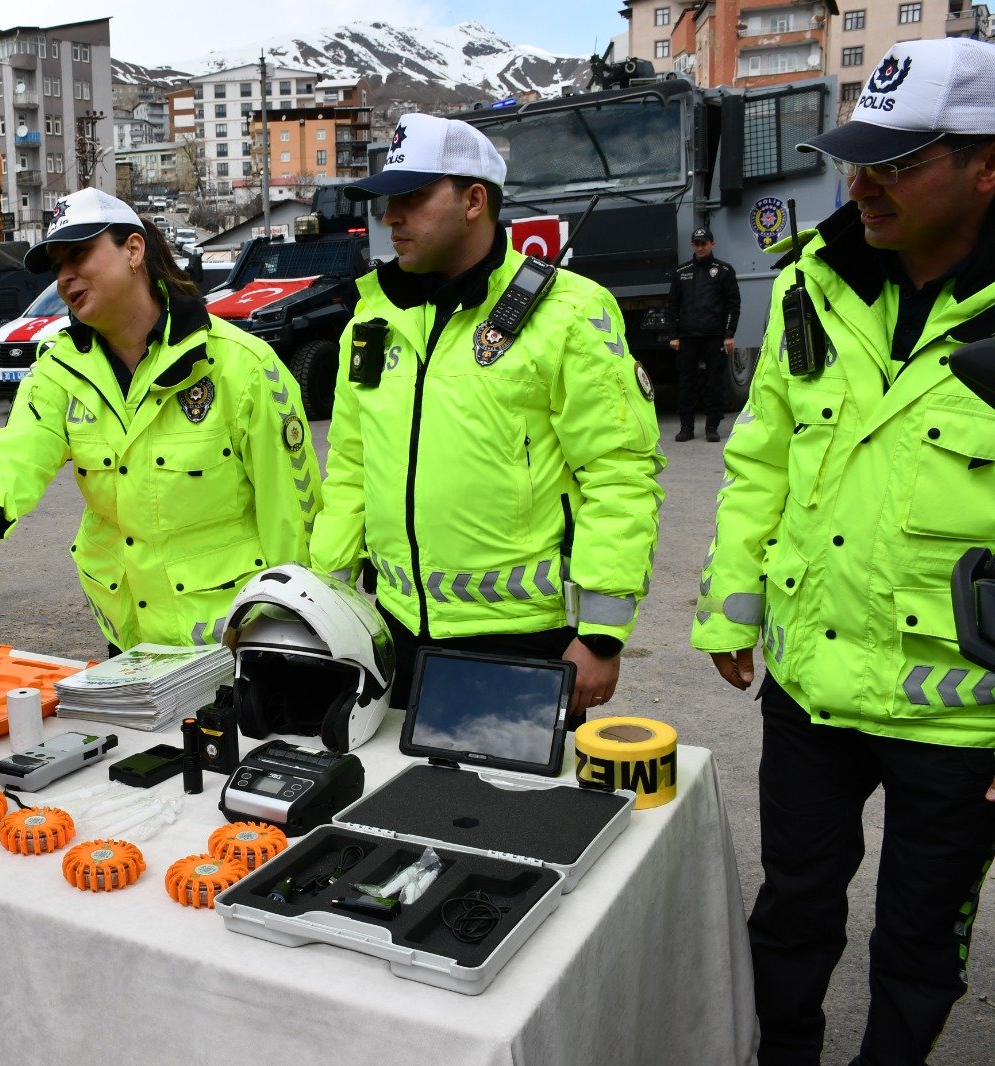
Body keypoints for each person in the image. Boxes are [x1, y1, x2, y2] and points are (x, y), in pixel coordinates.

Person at [690, 37, 995, 1066]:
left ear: (986, 164)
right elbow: (761, 460)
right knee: (790, 912)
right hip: (812, 687)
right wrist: (730, 601)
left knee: (916, 948)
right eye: (857, 157)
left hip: (960, 722)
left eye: (897, 164)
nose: (861, 185)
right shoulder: (813, 283)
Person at [310, 113, 664, 721]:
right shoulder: (374, 319)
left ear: (475, 200)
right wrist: (327, 606)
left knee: (509, 813)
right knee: (392, 806)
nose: (391, 216)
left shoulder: (567, 313)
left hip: (520, 638)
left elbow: (619, 475)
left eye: (413, 197)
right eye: (388, 200)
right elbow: (350, 468)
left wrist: (602, 635)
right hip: (392, 630)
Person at [0, 188, 319, 651]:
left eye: (79, 254)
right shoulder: (61, 370)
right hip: (129, 646)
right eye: (57, 265)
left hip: (234, 646)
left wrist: (287, 636)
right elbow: (14, 452)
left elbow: (292, 517)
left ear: (133, 250)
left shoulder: (239, 364)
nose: (65, 276)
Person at [667, 225, 740, 442]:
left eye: (704, 244)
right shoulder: (681, 272)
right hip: (688, 336)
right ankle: (686, 428)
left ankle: (712, 427)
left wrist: (729, 334)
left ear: (712, 244)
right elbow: (672, 305)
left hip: (715, 336)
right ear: (693, 245)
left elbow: (733, 304)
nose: (700, 248)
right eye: (696, 244)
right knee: (686, 382)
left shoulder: (724, 271)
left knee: (714, 382)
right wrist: (674, 334)